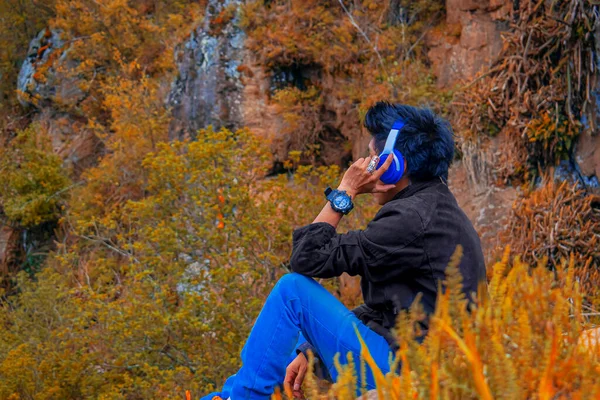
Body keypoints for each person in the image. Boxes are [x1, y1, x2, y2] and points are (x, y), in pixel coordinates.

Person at [202, 102, 487, 400]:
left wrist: (345, 192)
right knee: (286, 347)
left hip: (409, 371)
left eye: (373, 156)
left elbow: (305, 258)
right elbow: (385, 310)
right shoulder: (433, 207)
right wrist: (311, 349)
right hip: (420, 362)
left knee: (292, 292)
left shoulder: (410, 219)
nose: (365, 163)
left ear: (393, 163)